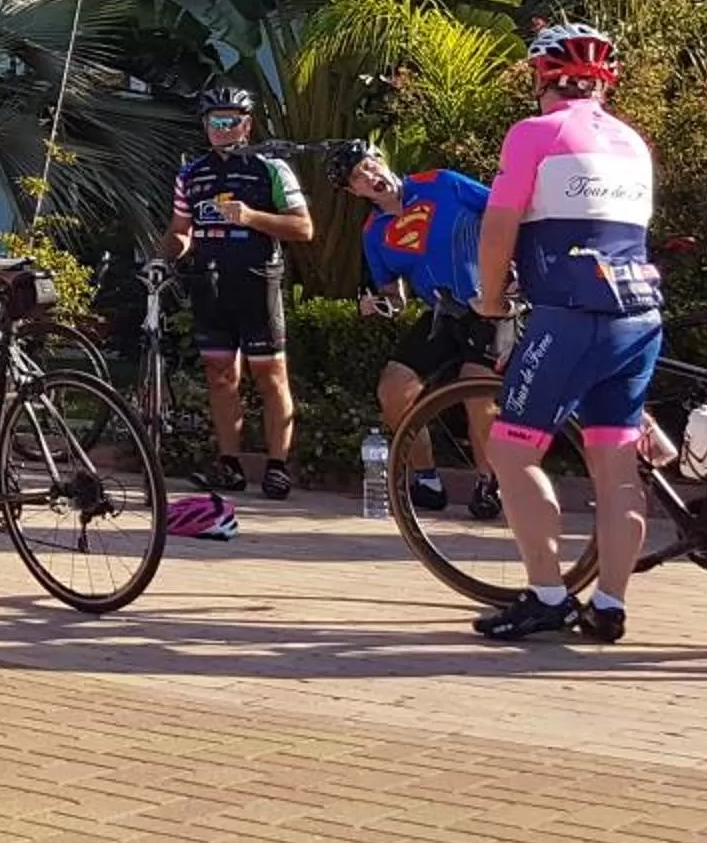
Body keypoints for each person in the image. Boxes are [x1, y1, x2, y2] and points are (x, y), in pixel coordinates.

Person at [470, 23, 664, 642]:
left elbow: (499, 226)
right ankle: (609, 605)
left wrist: (491, 297)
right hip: (640, 313)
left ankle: (547, 595)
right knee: (616, 464)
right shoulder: (632, 141)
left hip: (573, 314)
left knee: (512, 450)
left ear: (542, 76)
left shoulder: (536, 132)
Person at [337, 142, 506, 520]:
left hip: (490, 304)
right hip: (443, 314)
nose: (369, 177)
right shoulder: (374, 232)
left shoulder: (441, 183)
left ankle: (489, 483)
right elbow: (394, 298)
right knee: (393, 387)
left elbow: (503, 210)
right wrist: (378, 306)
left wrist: (514, 270)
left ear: (382, 159)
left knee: (475, 388)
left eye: (369, 166)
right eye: (358, 178)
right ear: (353, 192)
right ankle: (426, 479)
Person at [165, 85, 314, 499]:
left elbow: (303, 228)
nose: (222, 128)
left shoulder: (271, 168)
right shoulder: (190, 174)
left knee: (270, 373)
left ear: (246, 125)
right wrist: (170, 252)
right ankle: (229, 463)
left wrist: (250, 217)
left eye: (230, 121)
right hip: (210, 282)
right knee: (220, 375)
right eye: (214, 121)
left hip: (257, 278)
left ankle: (278, 465)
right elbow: (180, 231)